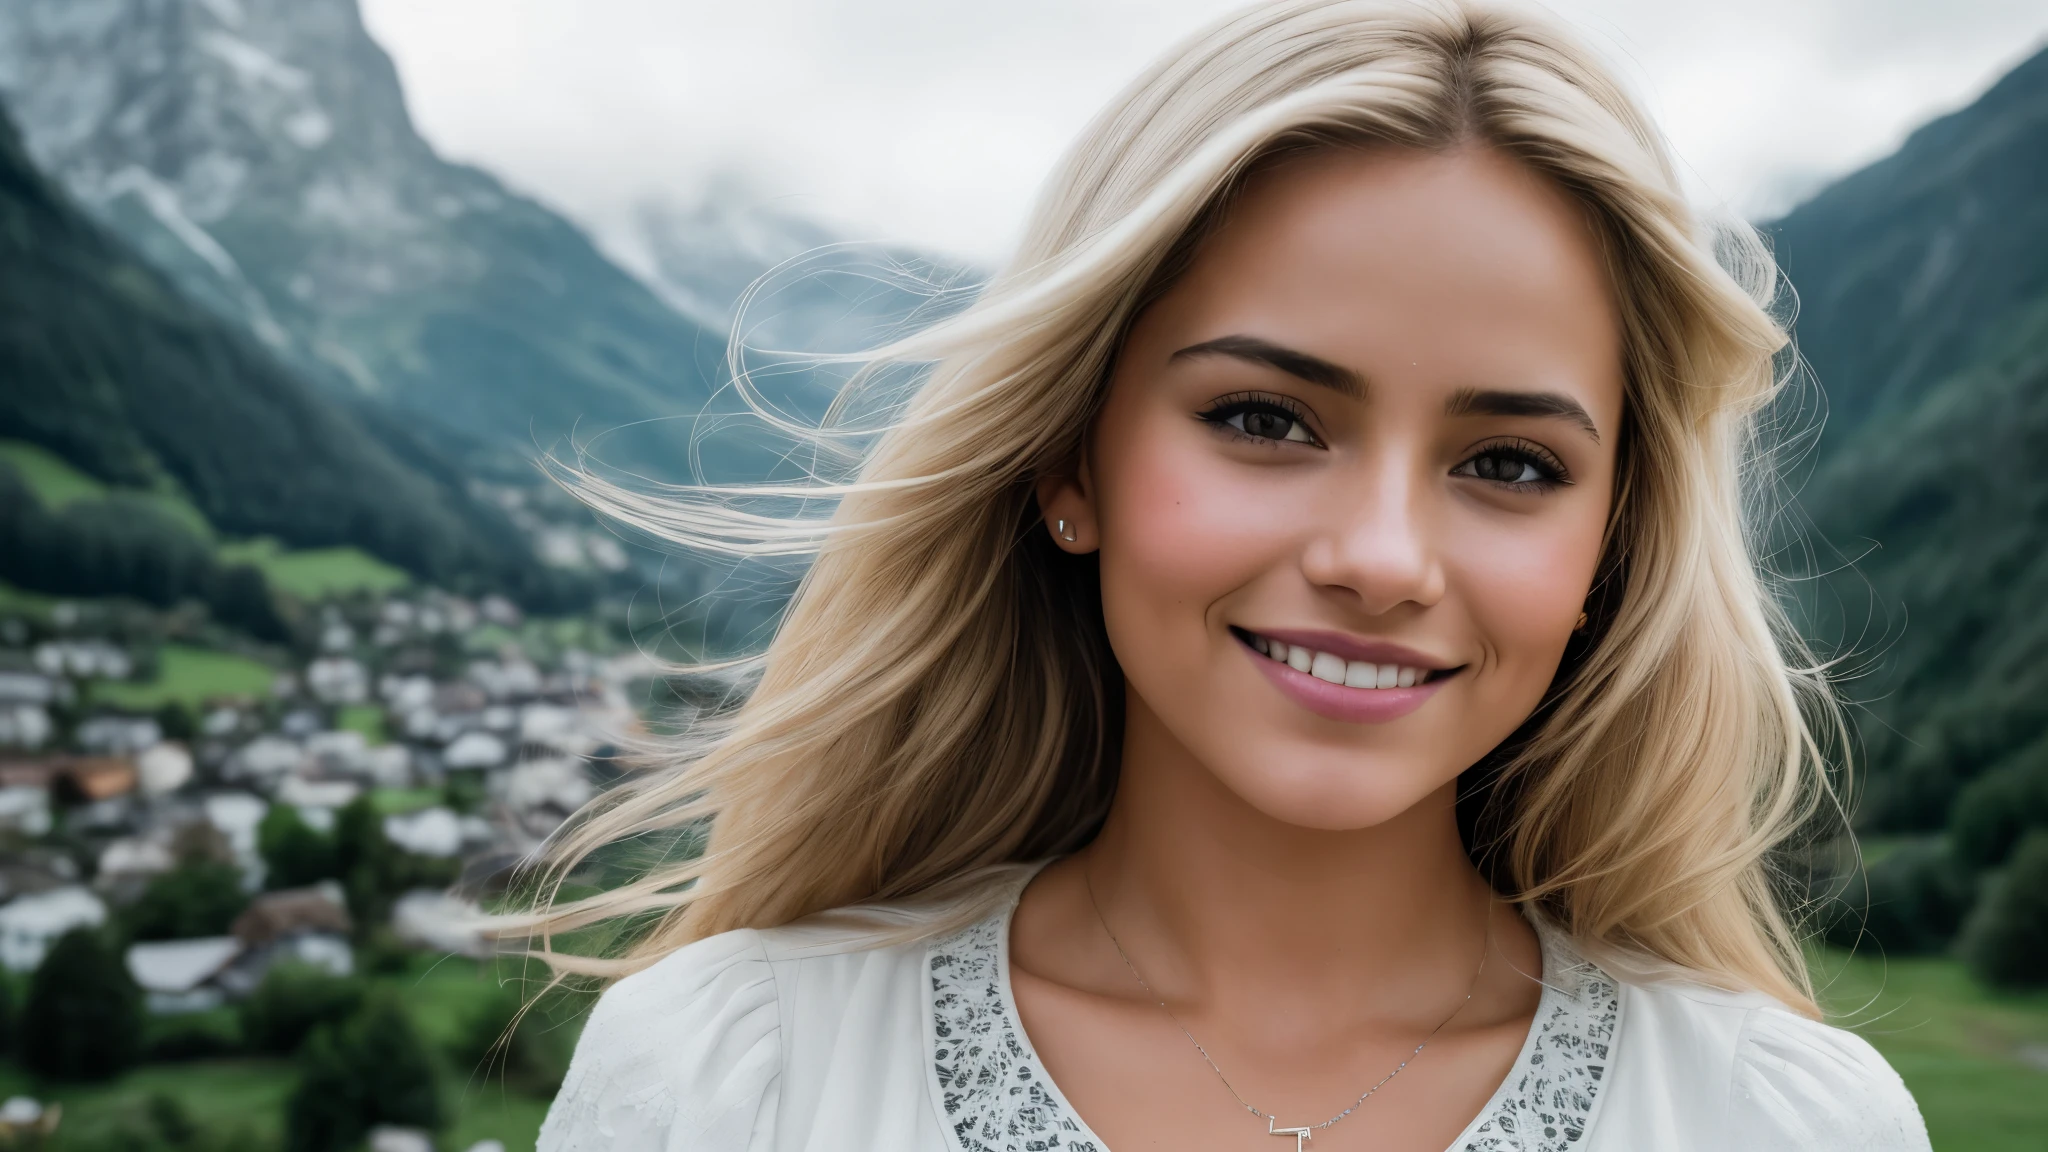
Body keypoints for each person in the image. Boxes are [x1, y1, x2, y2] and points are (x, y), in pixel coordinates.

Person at [529, 2, 1931, 1149]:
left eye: (1509, 463)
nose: (1380, 560)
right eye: (1265, 420)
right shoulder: (728, 1085)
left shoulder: (1782, 1125)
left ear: (1610, 551)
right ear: (1070, 464)